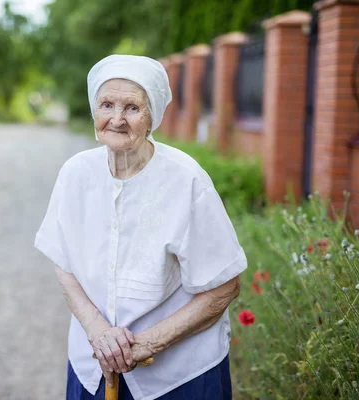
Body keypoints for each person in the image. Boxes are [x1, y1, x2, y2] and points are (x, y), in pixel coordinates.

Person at [34, 54, 247, 400]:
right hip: (95, 365)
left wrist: (144, 345)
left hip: (179, 377)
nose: (116, 119)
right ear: (94, 111)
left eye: (132, 108)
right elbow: (64, 261)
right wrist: (98, 330)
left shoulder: (186, 180)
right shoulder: (75, 174)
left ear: (152, 118)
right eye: (106, 105)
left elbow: (224, 286)